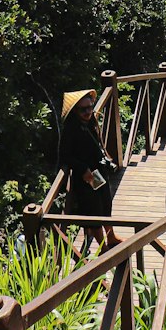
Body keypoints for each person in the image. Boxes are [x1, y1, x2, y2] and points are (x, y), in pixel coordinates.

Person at [58, 89, 118, 249]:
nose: (88, 112)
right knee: (94, 210)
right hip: (85, 176)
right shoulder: (71, 130)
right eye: (83, 109)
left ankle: (111, 236)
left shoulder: (91, 122)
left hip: (97, 172)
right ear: (75, 111)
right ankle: (102, 246)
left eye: (90, 107)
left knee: (106, 202)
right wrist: (82, 168)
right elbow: (65, 156)